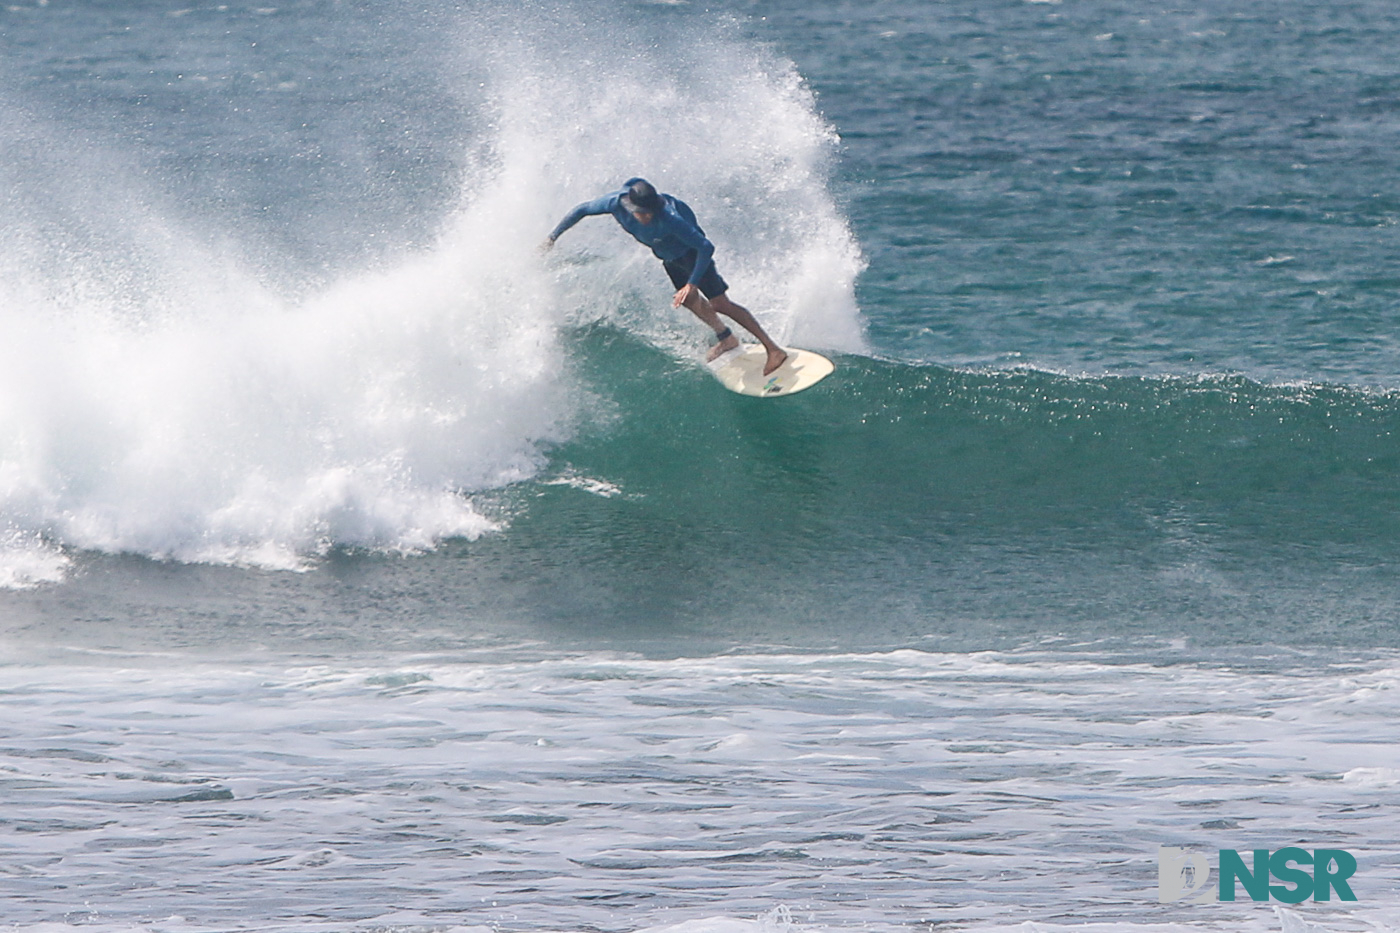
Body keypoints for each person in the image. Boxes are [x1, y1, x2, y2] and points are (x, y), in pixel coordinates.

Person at [543, 178, 788, 375]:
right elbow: (582, 210)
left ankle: (773, 349)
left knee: (719, 303)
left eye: (650, 212)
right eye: (643, 213)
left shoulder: (670, 218)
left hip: (692, 254)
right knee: (690, 302)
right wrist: (552, 237)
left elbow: (706, 247)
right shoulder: (616, 203)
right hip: (669, 258)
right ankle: (726, 338)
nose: (646, 217)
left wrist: (692, 283)